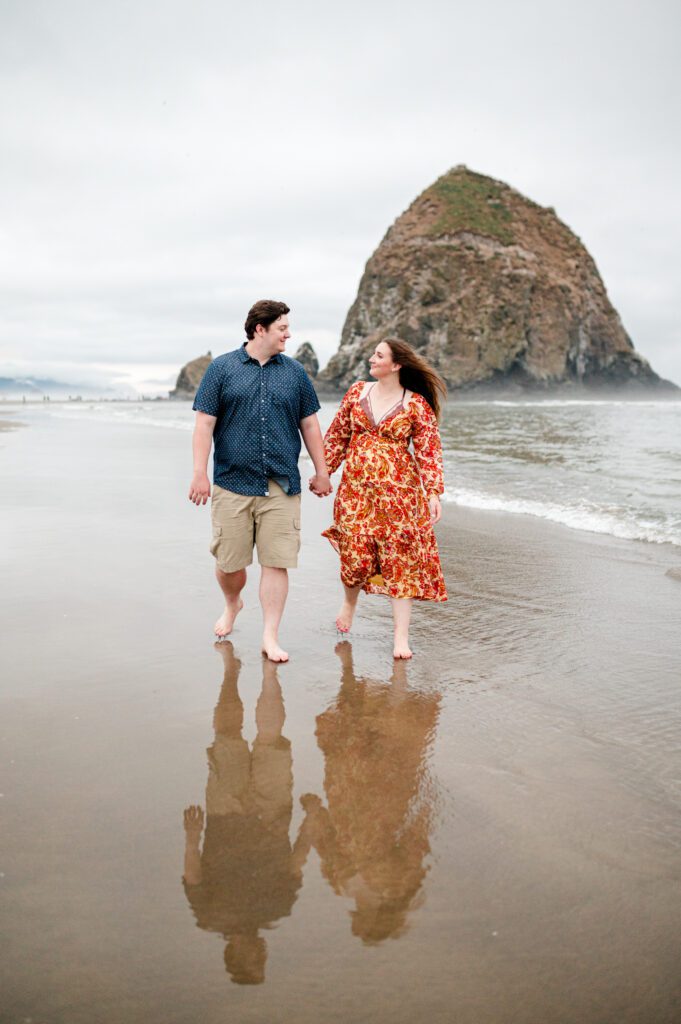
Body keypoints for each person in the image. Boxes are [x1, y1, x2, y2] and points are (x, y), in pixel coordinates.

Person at [189, 300, 332, 662]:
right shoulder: (221, 369)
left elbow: (310, 424)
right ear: (260, 329)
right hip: (231, 483)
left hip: (281, 485)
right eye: (282, 328)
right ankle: (233, 602)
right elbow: (204, 424)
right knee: (230, 565)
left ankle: (270, 635)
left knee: (276, 561)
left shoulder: (295, 373)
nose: (288, 334)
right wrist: (199, 473)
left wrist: (322, 470)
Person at [182, 643, 319, 984]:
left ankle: (231, 676)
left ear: (233, 955)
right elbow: (296, 860)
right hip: (272, 814)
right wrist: (312, 820)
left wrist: (192, 837)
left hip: (225, 814)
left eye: (252, 959)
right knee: (270, 740)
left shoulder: (210, 916)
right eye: (262, 959)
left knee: (227, 737)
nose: (260, 952)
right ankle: (269, 676)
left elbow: (194, 877)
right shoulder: (278, 908)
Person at [322, 337, 447, 659]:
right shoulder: (356, 392)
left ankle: (400, 637)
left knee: (399, 562)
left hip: (400, 497)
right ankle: (349, 603)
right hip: (355, 492)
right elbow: (337, 436)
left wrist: (433, 492)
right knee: (355, 556)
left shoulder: (415, 404)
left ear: (396, 365)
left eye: (379, 355)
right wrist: (323, 472)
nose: (371, 359)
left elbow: (429, 452)